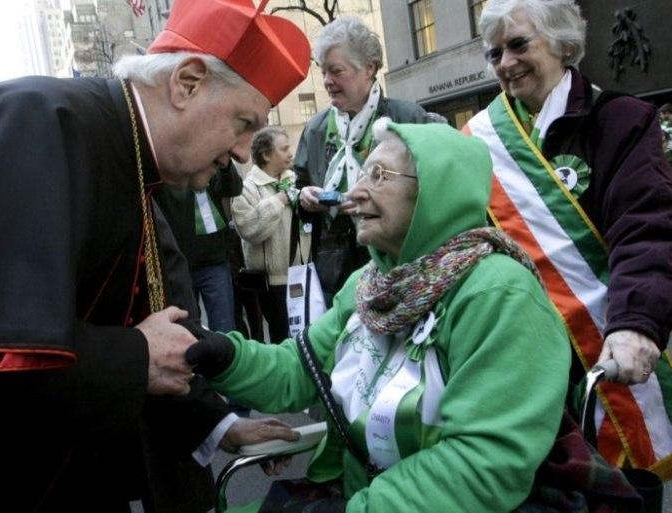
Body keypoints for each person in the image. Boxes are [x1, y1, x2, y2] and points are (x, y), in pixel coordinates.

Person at [0, 1, 311, 511]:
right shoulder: (42, 124)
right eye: (243, 122)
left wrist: (218, 424)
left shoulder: (129, 158)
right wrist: (133, 358)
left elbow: (146, 322)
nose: (242, 152)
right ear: (187, 82)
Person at [187, 120, 573, 512]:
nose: (353, 193)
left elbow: (483, 463)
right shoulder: (369, 282)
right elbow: (298, 370)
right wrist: (223, 355)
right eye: (360, 175)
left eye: (379, 175)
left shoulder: (497, 293)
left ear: (435, 191)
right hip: (351, 493)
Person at [465, 0, 672, 477]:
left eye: (519, 44)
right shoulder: (478, 140)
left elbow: (648, 225)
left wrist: (636, 323)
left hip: (599, 353)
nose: (505, 63)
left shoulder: (620, 120)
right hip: (513, 365)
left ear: (562, 42)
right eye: (494, 53)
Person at [293, 16, 427, 307]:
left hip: (395, 264)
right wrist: (303, 197)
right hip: (332, 272)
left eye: (336, 71)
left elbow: (430, 191)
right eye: (323, 71)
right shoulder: (315, 129)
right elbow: (297, 184)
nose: (327, 81)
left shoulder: (409, 120)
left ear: (369, 68)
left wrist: (375, 202)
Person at [232, 126, 310, 343]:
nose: (290, 153)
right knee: (282, 338)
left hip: (304, 275)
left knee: (308, 336)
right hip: (272, 283)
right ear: (266, 154)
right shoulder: (246, 188)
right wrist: (279, 201)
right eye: (284, 149)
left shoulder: (296, 180)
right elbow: (249, 228)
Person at [157, 161, 242, 333]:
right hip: (179, 264)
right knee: (188, 330)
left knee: (225, 330)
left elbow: (232, 188)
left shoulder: (210, 155)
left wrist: (225, 166)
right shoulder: (168, 160)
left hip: (215, 261)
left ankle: (226, 360)